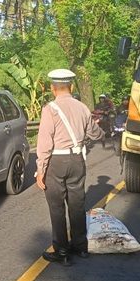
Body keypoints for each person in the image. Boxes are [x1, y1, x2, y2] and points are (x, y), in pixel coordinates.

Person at [36, 69, 105, 266]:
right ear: (72, 86)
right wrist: (102, 134)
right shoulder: (82, 107)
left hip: (56, 163)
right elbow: (95, 133)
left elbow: (44, 144)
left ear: (52, 88)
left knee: (57, 207)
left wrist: (41, 170)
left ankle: (62, 252)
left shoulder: (50, 109)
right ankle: (81, 247)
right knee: (77, 204)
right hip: (77, 160)